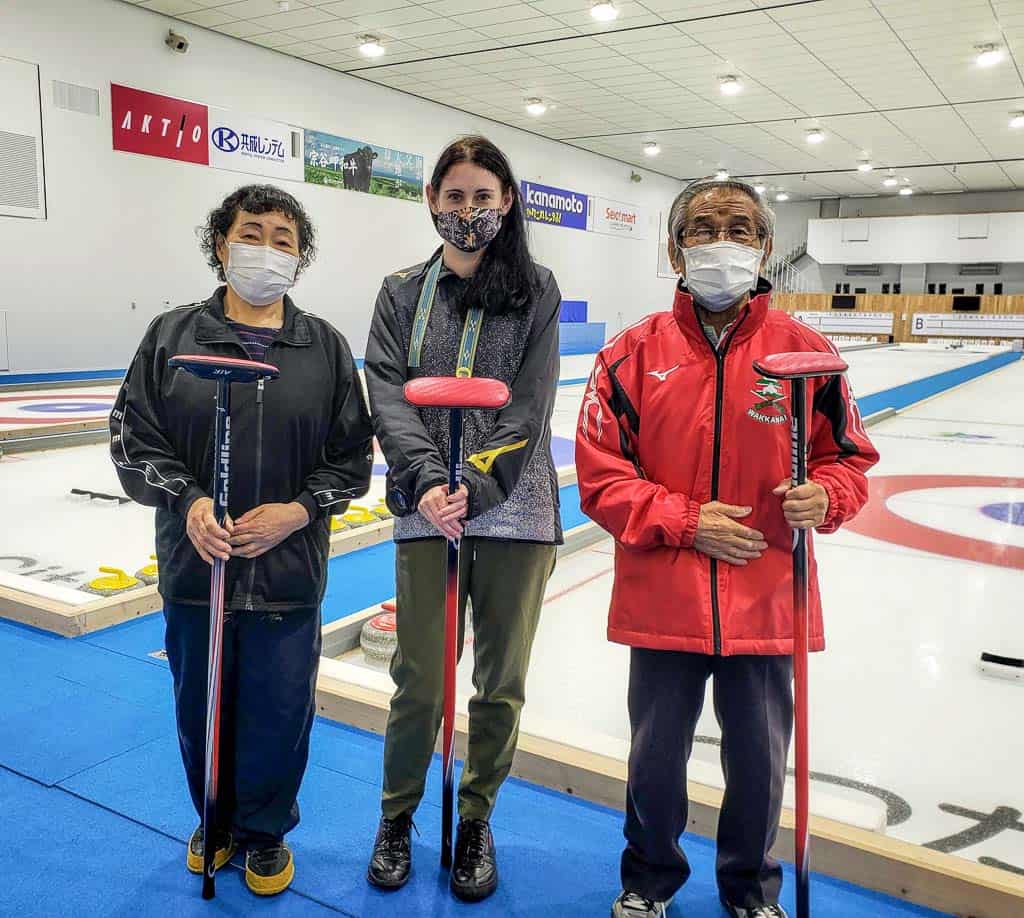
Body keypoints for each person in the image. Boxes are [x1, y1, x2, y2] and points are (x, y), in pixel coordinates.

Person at [574, 176, 880, 918]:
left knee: (758, 764)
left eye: (740, 228)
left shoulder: (805, 354)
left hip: (768, 597)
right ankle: (648, 880)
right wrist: (685, 520)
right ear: (674, 249)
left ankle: (749, 890)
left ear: (766, 246)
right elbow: (600, 476)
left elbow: (850, 457)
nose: (722, 242)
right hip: (665, 596)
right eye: (703, 227)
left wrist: (828, 496)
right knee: (654, 761)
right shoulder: (630, 354)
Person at [110, 184, 373, 896]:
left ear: (300, 257)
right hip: (198, 569)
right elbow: (133, 436)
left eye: (284, 238)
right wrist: (189, 500)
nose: (266, 248)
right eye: (250, 232)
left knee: (282, 709)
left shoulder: (323, 347)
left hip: (287, 571)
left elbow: (350, 459)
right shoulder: (172, 336)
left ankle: (264, 833)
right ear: (222, 244)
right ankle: (215, 820)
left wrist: (297, 510)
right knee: (201, 700)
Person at [363, 135, 562, 903]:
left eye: (483, 196)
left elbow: (531, 400)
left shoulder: (536, 288)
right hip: (425, 509)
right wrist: (422, 481)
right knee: (418, 677)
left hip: (515, 510)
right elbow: (386, 386)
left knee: (499, 683)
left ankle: (475, 819)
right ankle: (397, 818)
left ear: (507, 201)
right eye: (454, 196)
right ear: (431, 202)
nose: (468, 211)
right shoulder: (400, 291)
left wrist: (474, 487)